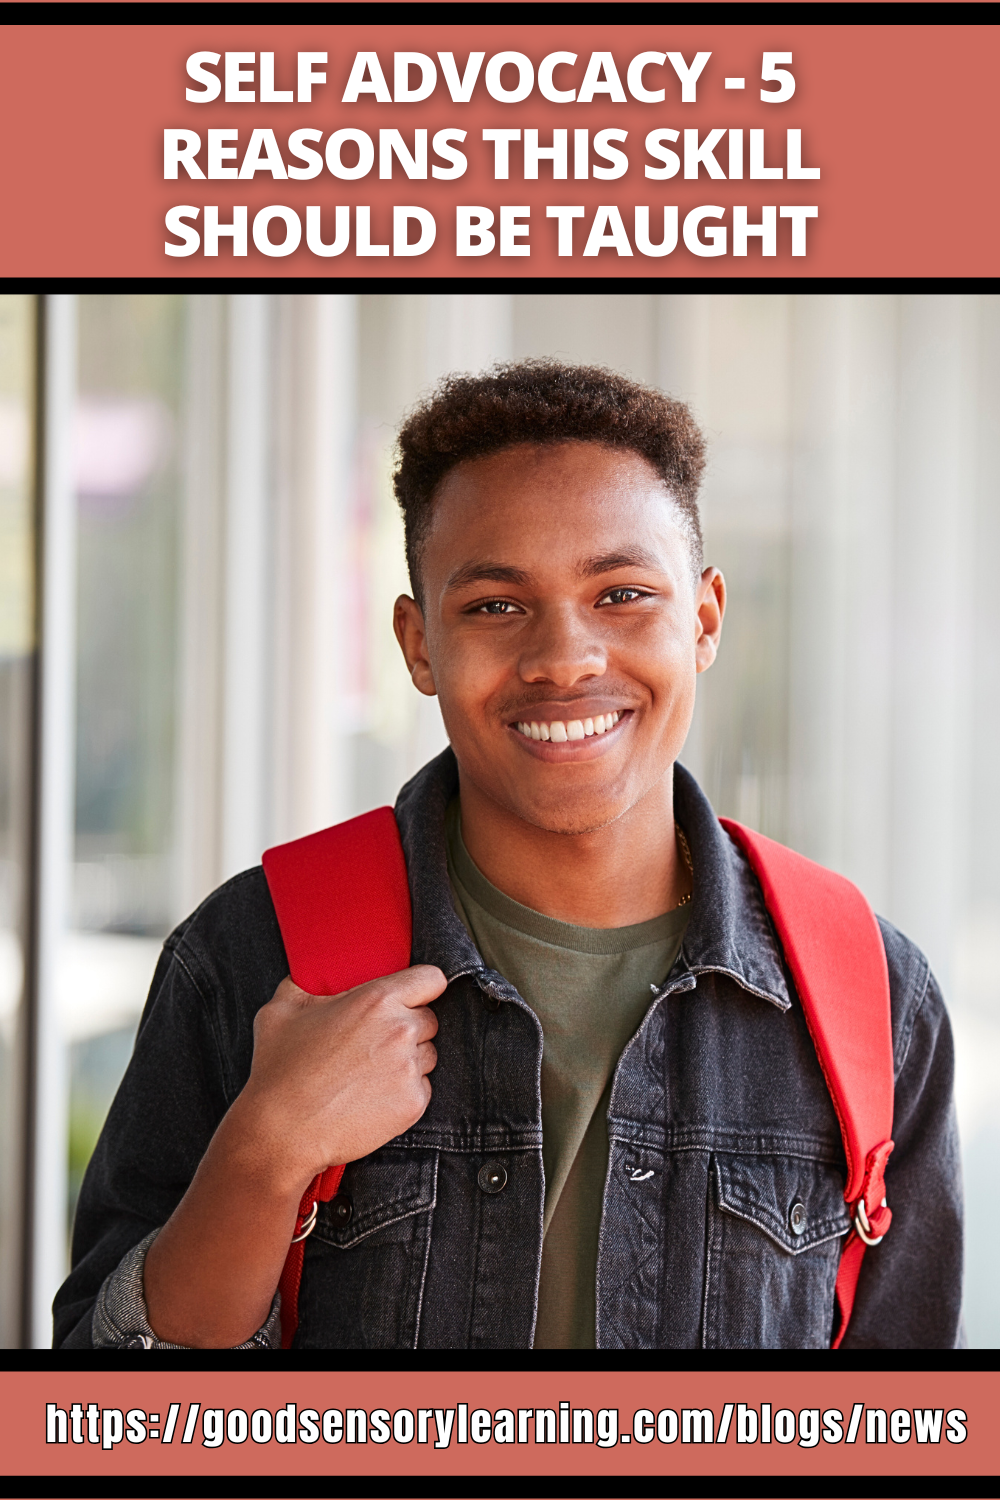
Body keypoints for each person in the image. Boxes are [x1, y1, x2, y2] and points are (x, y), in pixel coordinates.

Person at [54, 360, 962, 1349]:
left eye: (620, 593)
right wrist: (269, 1151)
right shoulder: (255, 954)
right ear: (417, 644)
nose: (564, 659)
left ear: (702, 619)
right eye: (493, 605)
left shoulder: (867, 995)